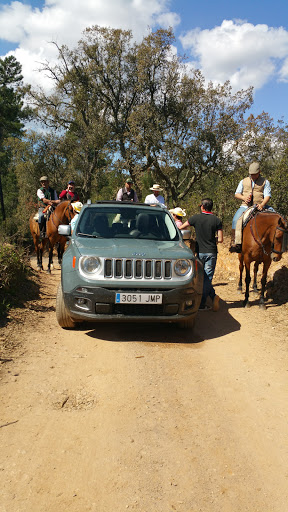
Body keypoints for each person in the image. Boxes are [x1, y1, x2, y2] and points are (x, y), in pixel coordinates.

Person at [179, 198, 223, 311]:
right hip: (212, 251)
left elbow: (181, 227)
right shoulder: (217, 220)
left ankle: (202, 303)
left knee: (201, 277)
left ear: (202, 207)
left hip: (199, 251)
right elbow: (221, 239)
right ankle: (212, 297)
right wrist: (213, 239)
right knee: (208, 277)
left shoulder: (195, 218)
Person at [230, 162, 274, 253]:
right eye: (251, 174)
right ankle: (235, 243)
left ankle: (276, 245)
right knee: (235, 220)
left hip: (261, 205)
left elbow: (267, 196)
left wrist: (262, 204)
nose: (253, 176)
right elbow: (236, 194)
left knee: (276, 217)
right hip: (245, 206)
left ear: (259, 172)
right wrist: (243, 198)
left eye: (255, 174)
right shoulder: (243, 181)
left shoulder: (265, 182)